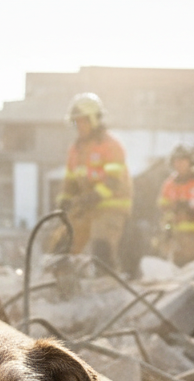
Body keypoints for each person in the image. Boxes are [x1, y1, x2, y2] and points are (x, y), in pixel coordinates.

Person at [55, 92, 133, 274]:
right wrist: (64, 201)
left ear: (95, 119)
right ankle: (60, 284)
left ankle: (106, 283)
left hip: (111, 207)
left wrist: (91, 197)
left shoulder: (111, 146)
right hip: (87, 206)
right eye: (76, 121)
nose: (79, 126)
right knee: (61, 246)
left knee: (101, 246)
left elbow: (113, 183)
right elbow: (70, 183)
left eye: (82, 120)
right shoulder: (76, 149)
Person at [157, 145, 194, 266]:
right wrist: (175, 207)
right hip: (176, 235)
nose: (179, 164)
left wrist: (192, 208)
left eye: (183, 160)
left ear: (190, 162)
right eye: (176, 161)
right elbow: (162, 206)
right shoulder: (169, 184)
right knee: (176, 265)